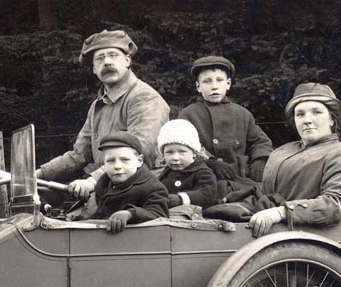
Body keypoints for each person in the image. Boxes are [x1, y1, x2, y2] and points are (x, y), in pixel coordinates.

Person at [36, 30, 169, 201]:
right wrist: (37, 174)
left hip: (142, 193)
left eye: (113, 55)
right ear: (94, 69)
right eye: (100, 58)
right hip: (109, 188)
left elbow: (140, 153)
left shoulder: (144, 98)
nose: (107, 62)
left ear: (127, 61)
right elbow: (78, 155)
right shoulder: (98, 105)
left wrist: (92, 181)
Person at [246, 83, 341, 236]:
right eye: (300, 114)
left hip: (304, 237)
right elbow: (262, 194)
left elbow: (336, 204)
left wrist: (281, 212)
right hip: (261, 228)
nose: (307, 120)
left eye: (316, 112)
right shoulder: (281, 151)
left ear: (332, 119)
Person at [179, 56, 272, 196]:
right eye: (207, 81)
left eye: (219, 80)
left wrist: (260, 160)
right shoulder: (188, 114)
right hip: (205, 177)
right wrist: (210, 162)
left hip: (242, 177)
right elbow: (185, 146)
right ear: (198, 87)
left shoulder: (242, 113)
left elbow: (260, 142)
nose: (214, 86)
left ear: (228, 84)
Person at [91, 131, 169, 233]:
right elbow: (100, 215)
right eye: (110, 161)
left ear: (139, 161)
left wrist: (130, 213)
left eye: (125, 160)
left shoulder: (153, 187)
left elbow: (159, 215)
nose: (117, 166)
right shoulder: (104, 184)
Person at [156, 119, 217, 209]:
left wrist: (180, 199)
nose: (175, 158)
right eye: (169, 152)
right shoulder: (166, 173)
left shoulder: (202, 172)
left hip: (193, 213)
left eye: (182, 152)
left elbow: (207, 194)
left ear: (194, 153)